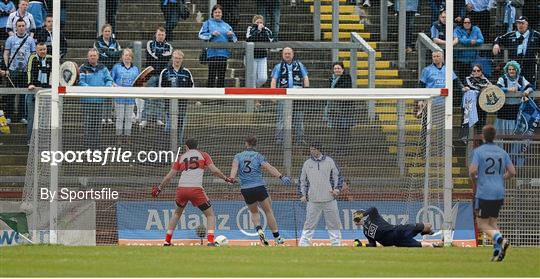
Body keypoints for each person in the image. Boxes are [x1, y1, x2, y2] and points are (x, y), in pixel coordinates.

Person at [152, 138, 235, 246]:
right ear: (197, 146)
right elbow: (214, 170)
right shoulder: (204, 155)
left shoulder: (181, 158)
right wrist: (226, 178)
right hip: (196, 189)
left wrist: (159, 188)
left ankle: (167, 241)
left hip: (181, 189)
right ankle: (210, 241)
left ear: (186, 147)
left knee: (177, 213)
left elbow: (169, 176)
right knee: (210, 215)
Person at [229, 136, 292, 246]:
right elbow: (269, 168)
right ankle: (277, 238)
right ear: (255, 145)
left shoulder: (238, 156)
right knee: (268, 211)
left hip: (246, 189)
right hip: (259, 186)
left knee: (254, 212)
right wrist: (281, 177)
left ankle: (259, 230)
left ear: (246, 144)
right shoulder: (258, 156)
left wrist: (231, 178)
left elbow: (234, 169)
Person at [469, 125, 515, 261]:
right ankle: (497, 252)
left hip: (485, 191)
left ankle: (500, 239)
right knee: (492, 222)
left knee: (482, 224)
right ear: (494, 137)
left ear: (483, 136)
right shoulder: (502, 152)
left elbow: (472, 171)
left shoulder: (479, 151)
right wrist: (501, 178)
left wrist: (475, 180)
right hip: (499, 191)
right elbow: (512, 172)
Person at [298, 142, 342, 247]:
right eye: (310, 149)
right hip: (313, 200)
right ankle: (304, 244)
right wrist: (302, 195)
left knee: (333, 223)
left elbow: (338, 176)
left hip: (329, 199)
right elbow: (302, 181)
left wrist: (337, 189)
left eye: (313, 149)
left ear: (319, 150)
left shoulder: (330, 161)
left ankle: (336, 244)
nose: (311, 151)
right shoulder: (307, 163)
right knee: (309, 223)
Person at [270, 47, 309, 145]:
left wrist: (306, 91)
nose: (287, 55)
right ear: (282, 55)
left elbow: (305, 77)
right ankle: (280, 140)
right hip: (283, 96)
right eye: (285, 53)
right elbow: (274, 80)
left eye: (289, 53)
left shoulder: (299, 65)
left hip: (298, 96)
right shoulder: (278, 66)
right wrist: (273, 94)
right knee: (282, 118)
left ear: (293, 54)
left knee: (298, 118)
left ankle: (300, 139)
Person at [78, 48, 113, 149]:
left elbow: (109, 79)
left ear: (97, 56)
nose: (92, 57)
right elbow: (81, 81)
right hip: (87, 101)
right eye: (91, 56)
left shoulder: (103, 68)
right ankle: (88, 147)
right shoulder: (83, 68)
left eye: (94, 55)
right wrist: (89, 89)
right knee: (88, 124)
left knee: (97, 125)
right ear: (88, 57)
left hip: (99, 101)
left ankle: (96, 146)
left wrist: (107, 86)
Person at [352, 207, 441, 247]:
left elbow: (373, 209)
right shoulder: (366, 230)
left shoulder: (372, 219)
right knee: (423, 239)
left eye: (357, 216)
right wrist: (362, 245)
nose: (357, 219)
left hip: (396, 236)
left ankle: (430, 240)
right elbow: (373, 245)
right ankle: (429, 239)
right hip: (397, 236)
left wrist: (362, 215)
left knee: (426, 230)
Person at [493, 16, 540, 89]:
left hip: (529, 66)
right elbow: (498, 38)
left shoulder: (535, 35)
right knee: (514, 87)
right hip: (514, 67)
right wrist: (496, 44)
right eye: (518, 23)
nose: (520, 25)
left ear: (527, 24)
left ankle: (529, 100)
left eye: (522, 23)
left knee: (529, 88)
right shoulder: (511, 35)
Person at [158, 49, 193, 145]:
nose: (177, 60)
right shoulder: (165, 72)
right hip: (169, 105)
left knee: (181, 125)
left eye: (179, 58)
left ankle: (179, 145)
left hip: (182, 104)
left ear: (182, 59)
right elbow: (161, 88)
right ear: (172, 58)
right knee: (170, 125)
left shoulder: (186, 72)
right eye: (175, 58)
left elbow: (192, 88)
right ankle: (167, 144)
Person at [3, 18, 35, 123]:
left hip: (25, 71)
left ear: (26, 27)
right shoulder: (10, 39)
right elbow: (6, 54)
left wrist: (30, 69)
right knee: (10, 94)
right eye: (19, 26)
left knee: (23, 95)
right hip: (12, 70)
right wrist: (6, 68)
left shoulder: (30, 40)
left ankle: (22, 116)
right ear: (16, 27)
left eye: (23, 26)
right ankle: (9, 116)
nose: (21, 27)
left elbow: (33, 55)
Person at [198, 4, 237, 88]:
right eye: (216, 12)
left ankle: (220, 98)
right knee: (211, 75)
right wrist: (211, 34)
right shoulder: (207, 23)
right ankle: (209, 97)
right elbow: (201, 35)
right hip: (212, 54)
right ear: (213, 13)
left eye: (219, 12)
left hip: (223, 54)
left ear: (222, 14)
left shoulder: (227, 25)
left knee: (221, 77)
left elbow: (235, 40)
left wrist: (231, 35)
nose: (217, 14)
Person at [141, 26, 172, 127]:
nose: (161, 36)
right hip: (151, 74)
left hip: (163, 75)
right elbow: (151, 56)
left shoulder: (168, 46)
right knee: (148, 97)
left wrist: (158, 55)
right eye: (159, 34)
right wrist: (161, 55)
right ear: (156, 34)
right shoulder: (150, 43)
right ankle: (145, 118)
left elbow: (166, 58)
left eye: (162, 35)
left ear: (165, 35)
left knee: (161, 97)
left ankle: (158, 118)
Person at [495, 60, 534, 134]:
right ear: (507, 70)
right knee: (502, 132)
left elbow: (531, 87)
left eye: (513, 69)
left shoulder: (521, 78)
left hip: (516, 108)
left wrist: (527, 91)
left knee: (514, 131)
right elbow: (497, 88)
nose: (511, 71)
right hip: (504, 109)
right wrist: (508, 89)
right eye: (509, 69)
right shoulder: (502, 78)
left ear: (517, 70)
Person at [325, 62, 355, 156]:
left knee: (344, 129)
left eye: (339, 68)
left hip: (344, 109)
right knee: (337, 129)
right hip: (334, 109)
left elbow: (345, 88)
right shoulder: (331, 79)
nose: (337, 70)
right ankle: (338, 149)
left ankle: (345, 149)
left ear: (342, 69)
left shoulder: (347, 77)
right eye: (335, 68)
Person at [111, 48, 139, 145]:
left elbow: (138, 82)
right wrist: (117, 87)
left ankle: (127, 136)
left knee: (128, 117)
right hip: (119, 97)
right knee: (120, 117)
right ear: (122, 56)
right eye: (126, 55)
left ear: (132, 58)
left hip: (130, 98)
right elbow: (111, 80)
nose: (127, 57)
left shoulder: (135, 69)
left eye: (129, 56)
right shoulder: (116, 67)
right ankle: (119, 136)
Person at [26, 41, 50, 143]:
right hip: (33, 91)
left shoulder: (51, 58)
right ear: (36, 50)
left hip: (46, 92)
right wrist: (30, 83)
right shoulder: (33, 58)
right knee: (32, 117)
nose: (42, 51)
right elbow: (29, 70)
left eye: (44, 49)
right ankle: (30, 140)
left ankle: (43, 139)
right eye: (40, 49)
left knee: (45, 117)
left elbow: (54, 72)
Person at [246, 15, 273, 88]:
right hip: (252, 57)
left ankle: (256, 88)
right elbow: (249, 39)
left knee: (263, 78)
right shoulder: (250, 29)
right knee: (252, 77)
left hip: (262, 56)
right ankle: (253, 96)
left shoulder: (266, 29)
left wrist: (262, 30)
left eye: (261, 22)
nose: (259, 23)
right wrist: (258, 31)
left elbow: (269, 40)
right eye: (257, 22)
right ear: (254, 22)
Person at [453, 16, 484, 80]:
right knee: (462, 78)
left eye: (469, 22)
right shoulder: (457, 29)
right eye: (465, 22)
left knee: (473, 78)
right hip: (460, 60)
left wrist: (475, 42)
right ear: (462, 23)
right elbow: (460, 40)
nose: (467, 24)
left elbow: (481, 40)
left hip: (473, 60)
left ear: (471, 23)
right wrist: (470, 41)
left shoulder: (476, 29)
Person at [463, 64, 491, 131]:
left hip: (482, 106)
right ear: (472, 72)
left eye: (478, 70)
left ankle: (481, 139)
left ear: (481, 71)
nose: (476, 72)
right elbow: (464, 89)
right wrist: (465, 88)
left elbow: (491, 88)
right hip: (471, 107)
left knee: (482, 124)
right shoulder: (468, 79)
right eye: (474, 70)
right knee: (471, 124)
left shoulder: (485, 80)